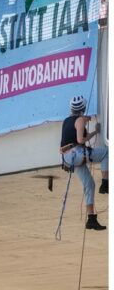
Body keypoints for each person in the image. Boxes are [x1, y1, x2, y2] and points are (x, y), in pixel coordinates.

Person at [60, 96, 107, 230]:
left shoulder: (66, 121)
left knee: (89, 184)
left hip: (69, 158)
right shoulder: (80, 120)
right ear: (83, 108)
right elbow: (81, 140)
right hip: (77, 154)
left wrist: (84, 122)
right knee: (106, 153)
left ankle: (91, 219)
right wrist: (95, 132)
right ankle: (106, 183)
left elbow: (71, 135)